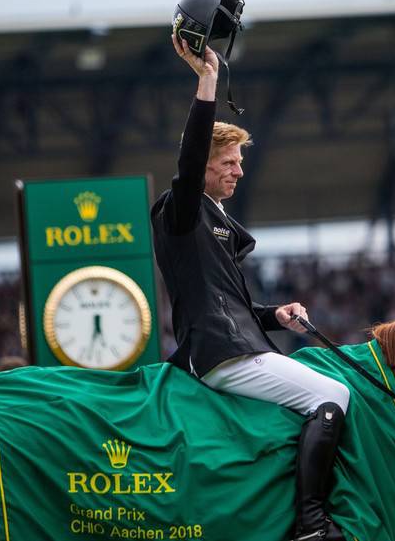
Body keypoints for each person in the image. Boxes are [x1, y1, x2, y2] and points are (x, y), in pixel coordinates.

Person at [150, 33, 350, 541]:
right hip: (223, 354)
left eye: (240, 161)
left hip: (238, 343)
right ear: (206, 168)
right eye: (230, 162)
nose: (240, 170)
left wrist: (273, 315)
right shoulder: (184, 210)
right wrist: (208, 80)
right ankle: (311, 523)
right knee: (334, 394)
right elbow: (189, 161)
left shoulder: (216, 221)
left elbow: (227, 300)